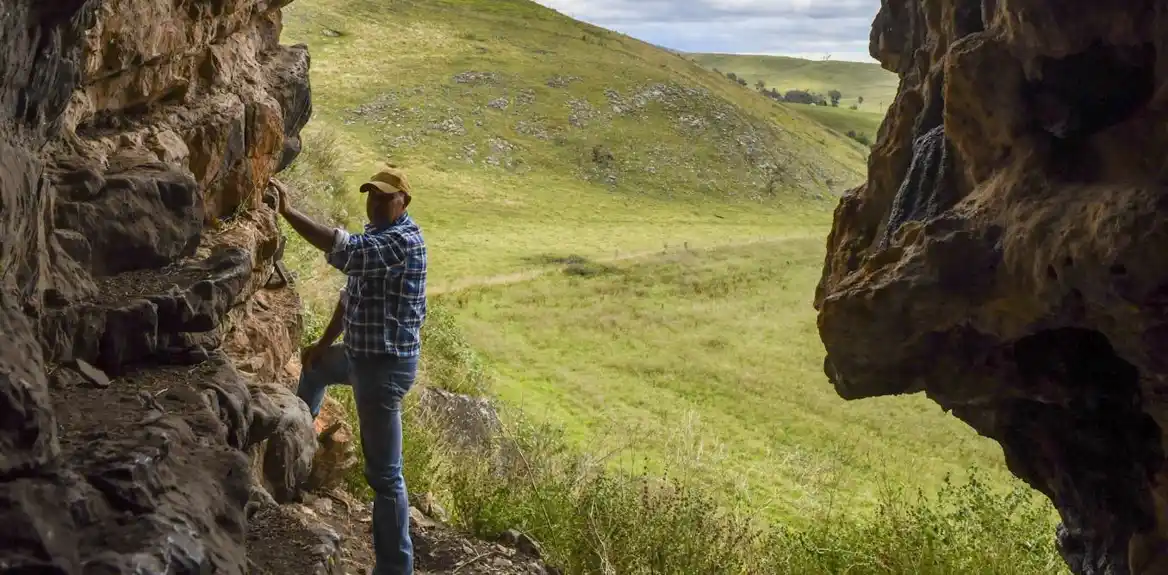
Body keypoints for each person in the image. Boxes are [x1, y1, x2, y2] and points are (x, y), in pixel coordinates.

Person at [270, 168, 427, 575]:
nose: (375, 203)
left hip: (383, 370)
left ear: (403, 202)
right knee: (316, 370)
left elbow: (347, 253)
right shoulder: (377, 235)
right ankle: (300, 454)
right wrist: (321, 347)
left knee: (385, 476)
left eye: (385, 198)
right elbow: (348, 296)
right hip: (360, 356)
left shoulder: (402, 243)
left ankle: (396, 568)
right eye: (371, 196)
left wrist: (288, 212)